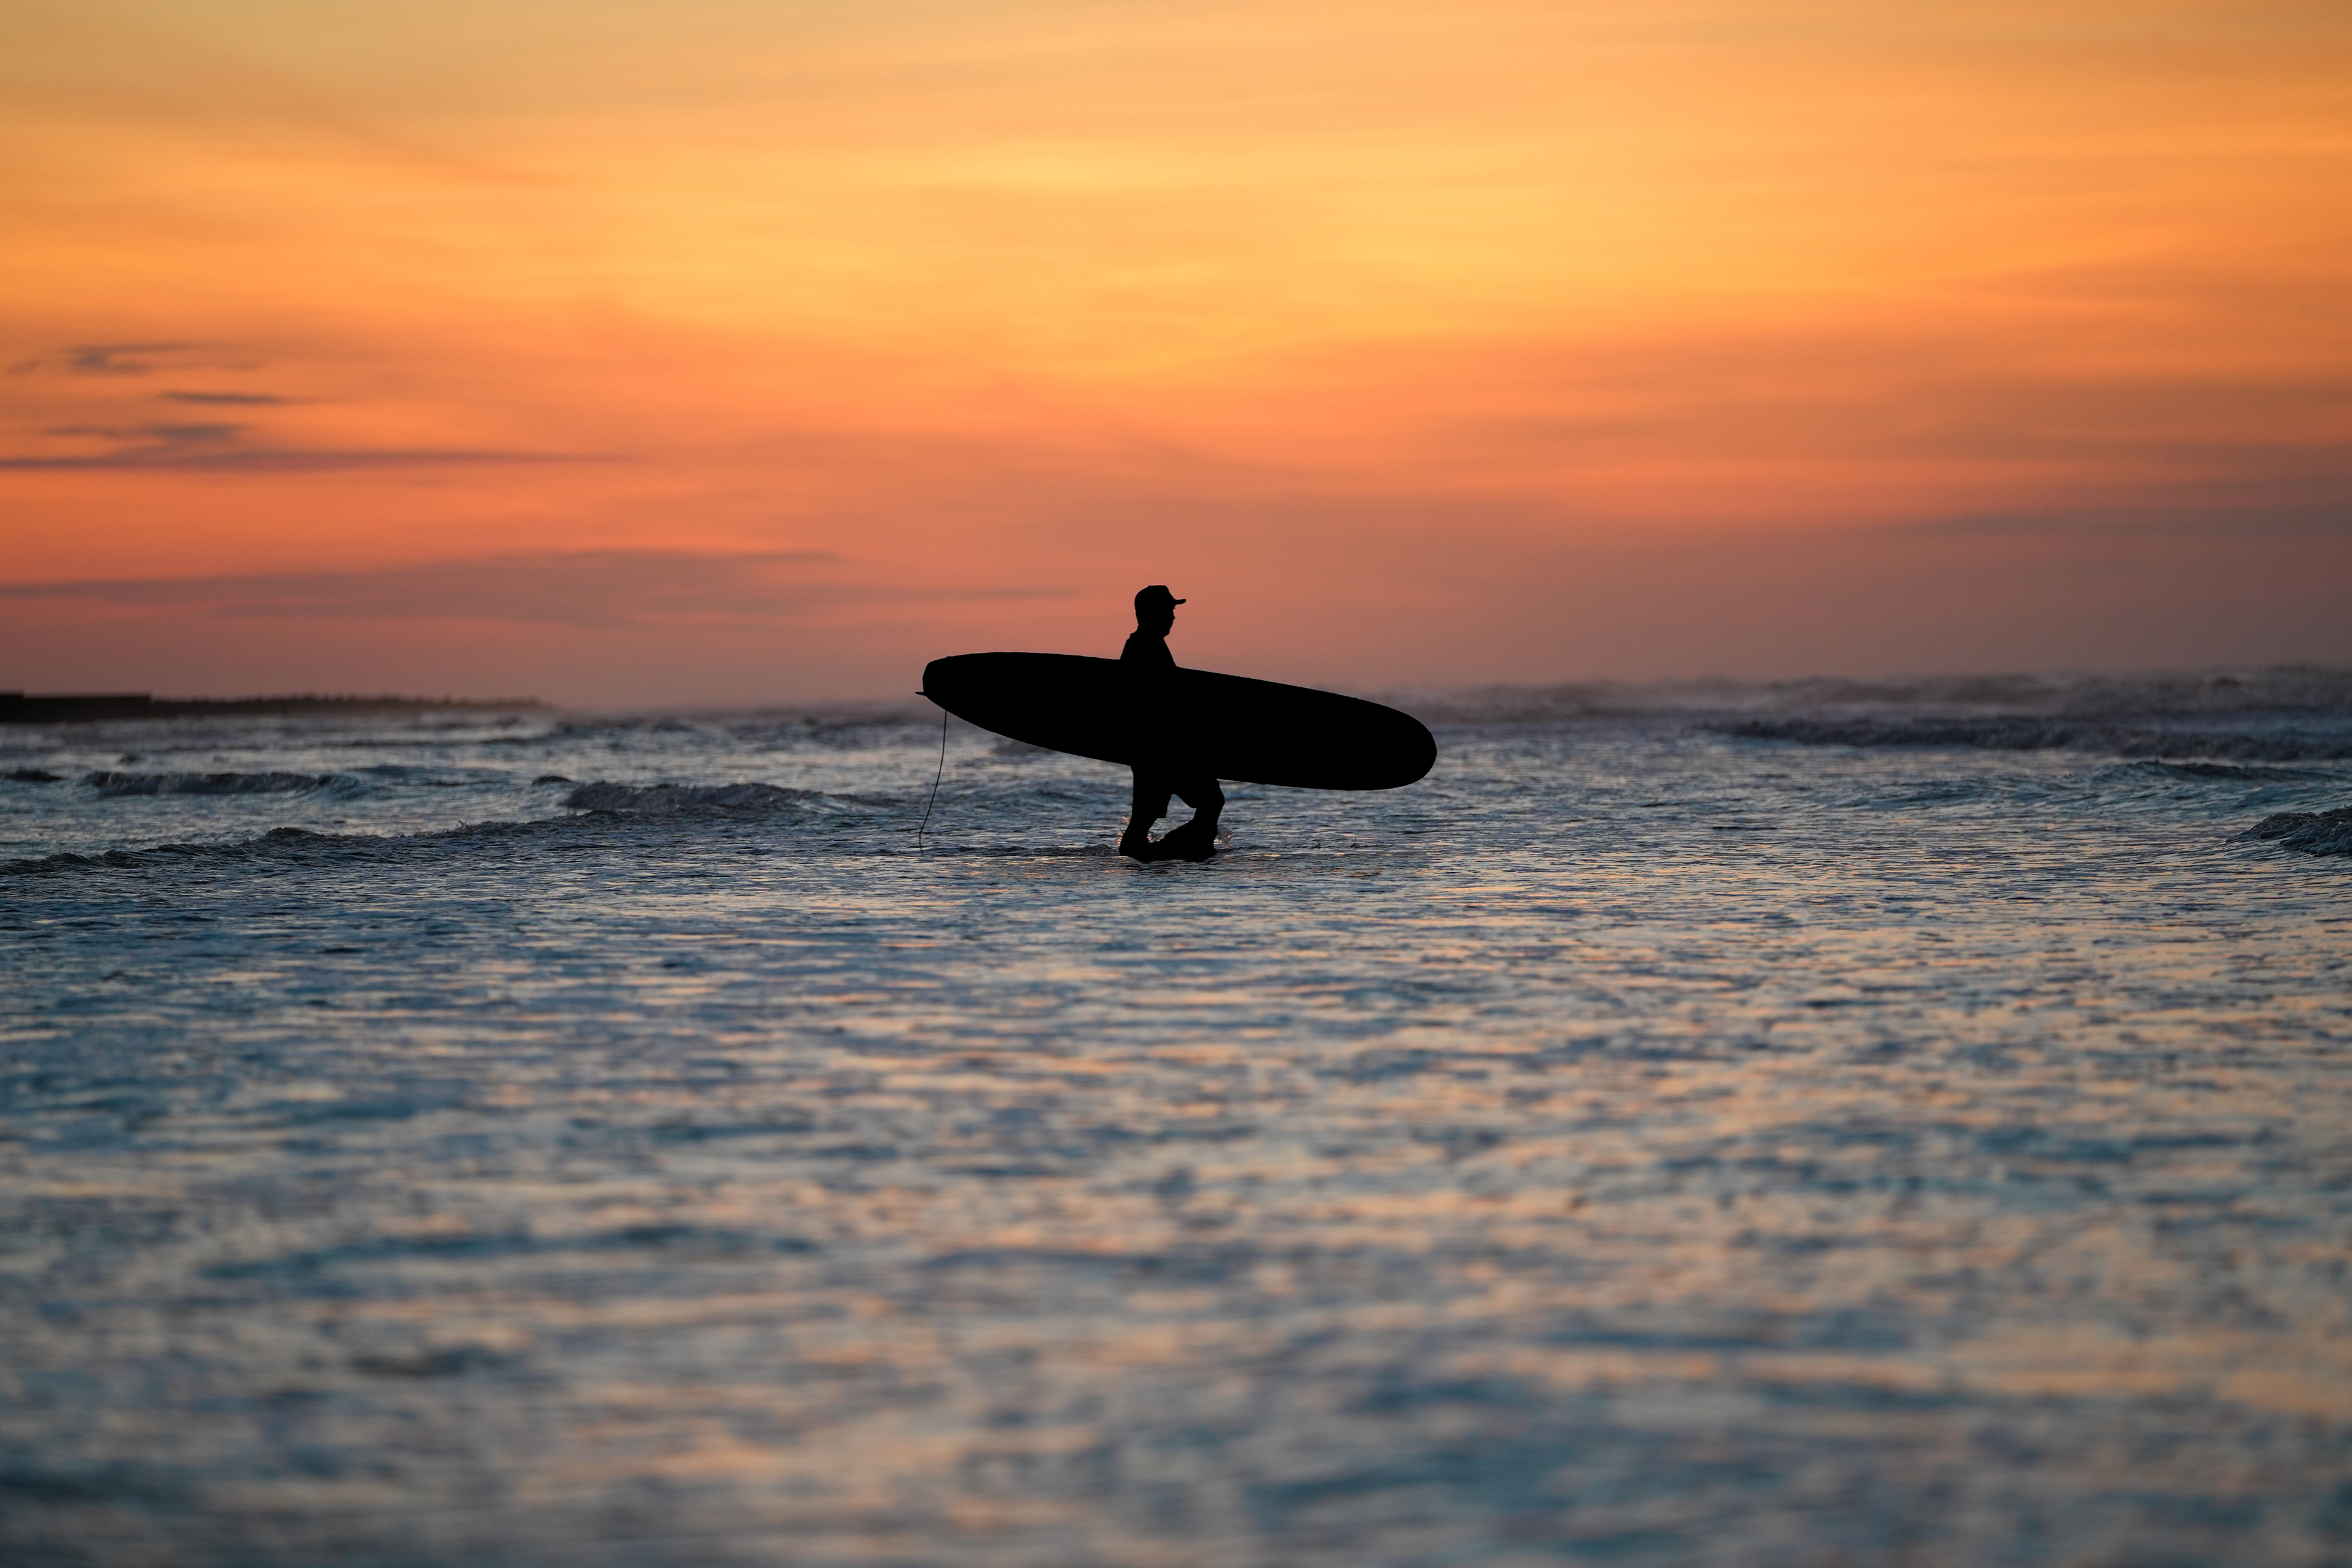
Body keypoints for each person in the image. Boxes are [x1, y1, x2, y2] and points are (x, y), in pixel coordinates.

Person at [1118, 585, 1224, 862]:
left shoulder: (1150, 644)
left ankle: (1181, 850)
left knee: (1147, 817)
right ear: (1152, 613)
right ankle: (1182, 849)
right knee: (1209, 800)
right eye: (1169, 611)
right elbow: (1148, 700)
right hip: (1157, 749)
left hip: (1159, 748)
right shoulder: (1142, 646)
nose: (1173, 618)